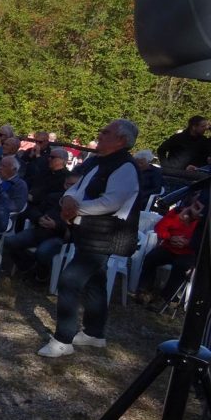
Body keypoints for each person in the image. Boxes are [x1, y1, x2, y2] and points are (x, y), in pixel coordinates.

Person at [38, 119, 142, 358]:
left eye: (106, 132)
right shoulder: (98, 162)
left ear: (121, 140)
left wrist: (76, 208)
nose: (100, 134)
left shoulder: (125, 167)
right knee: (95, 282)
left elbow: (111, 202)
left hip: (105, 234)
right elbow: (77, 187)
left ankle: (63, 339)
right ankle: (95, 334)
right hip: (88, 231)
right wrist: (67, 200)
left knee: (70, 281)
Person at [135, 198, 203, 308]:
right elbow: (160, 227)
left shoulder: (203, 221)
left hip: (189, 252)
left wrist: (188, 242)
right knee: (151, 258)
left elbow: (201, 239)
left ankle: (164, 298)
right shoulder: (176, 212)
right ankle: (144, 290)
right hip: (169, 247)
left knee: (181, 267)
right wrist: (170, 237)